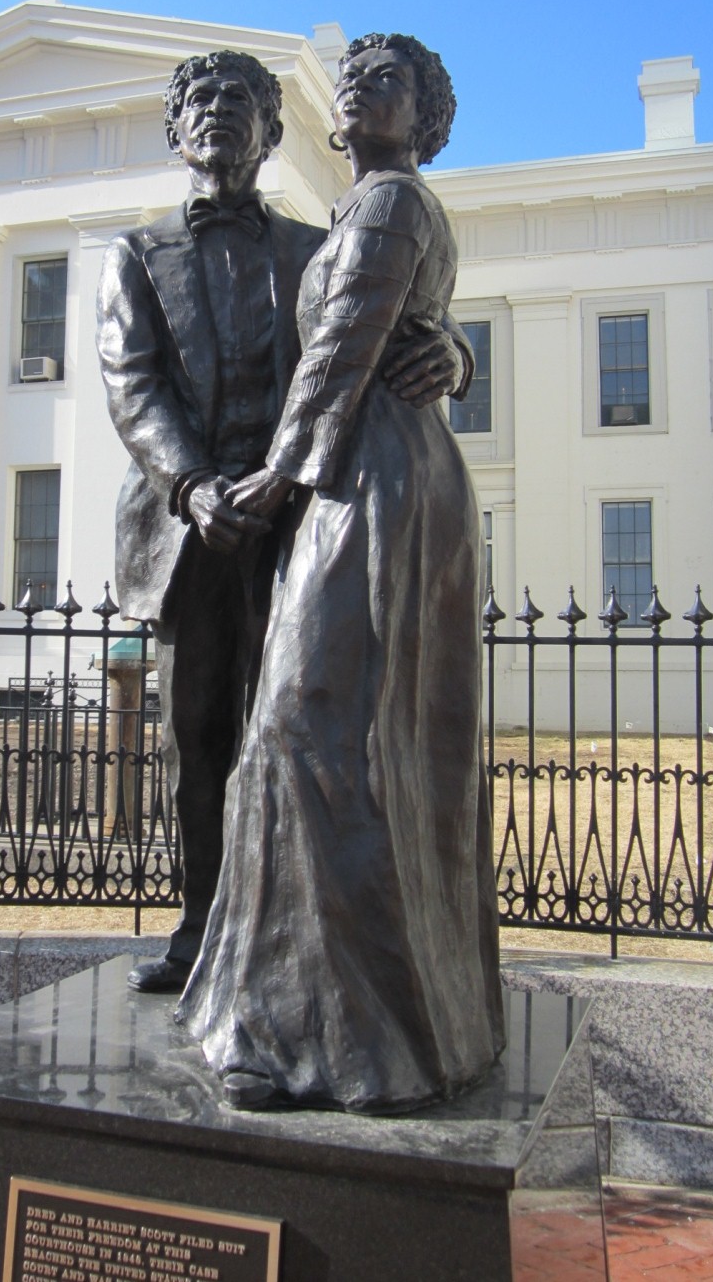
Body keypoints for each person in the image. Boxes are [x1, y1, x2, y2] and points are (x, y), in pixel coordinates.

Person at [177, 34, 505, 1112]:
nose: (365, 89)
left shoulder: (386, 208)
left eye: (391, 81)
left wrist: (274, 481)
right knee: (369, 747)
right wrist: (446, 345)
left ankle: (316, 1031)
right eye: (354, 77)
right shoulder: (357, 215)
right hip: (366, 473)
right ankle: (389, 1024)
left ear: (426, 117)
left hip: (363, 477)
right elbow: (392, 317)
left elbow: (339, 353)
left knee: (304, 730)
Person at [97, 50, 470, 993]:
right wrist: (191, 486)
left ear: (273, 133)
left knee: (301, 741)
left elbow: (383, 317)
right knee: (200, 740)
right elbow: (131, 386)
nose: (218, 113)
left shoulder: (318, 242)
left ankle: (285, 950)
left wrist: (455, 354)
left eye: (241, 102)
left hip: (301, 525)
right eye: (200, 101)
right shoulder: (136, 255)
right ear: (176, 130)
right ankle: (199, 936)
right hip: (192, 532)